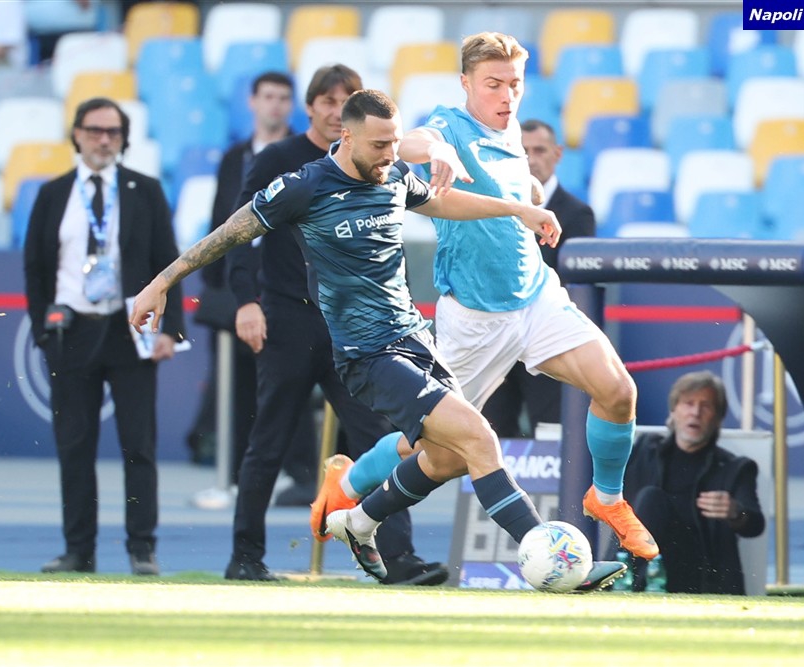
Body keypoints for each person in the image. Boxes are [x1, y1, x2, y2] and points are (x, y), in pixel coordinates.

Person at [129, 89, 564, 585]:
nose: (390, 154)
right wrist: (161, 283)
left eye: (395, 143)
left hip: (415, 340)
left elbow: (441, 201)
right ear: (347, 136)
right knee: (480, 438)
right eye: (379, 145)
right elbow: (231, 232)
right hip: (367, 354)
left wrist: (517, 210)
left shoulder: (393, 173)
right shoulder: (305, 186)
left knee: (447, 458)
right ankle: (547, 555)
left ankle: (359, 521)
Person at [314, 33, 658, 568]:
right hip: (473, 320)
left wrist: (530, 198)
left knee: (618, 391)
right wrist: (438, 150)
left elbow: (510, 185)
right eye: (493, 84)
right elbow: (412, 143)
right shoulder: (450, 124)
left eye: (514, 84)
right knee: (439, 455)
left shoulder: (512, 128)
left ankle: (607, 498)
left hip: (536, 298)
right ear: (466, 83)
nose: (506, 95)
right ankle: (353, 486)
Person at [209, 66, 443, 585]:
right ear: (311, 107)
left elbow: (389, 241)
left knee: (378, 435)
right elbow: (239, 231)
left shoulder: (379, 165)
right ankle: (245, 556)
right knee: (269, 439)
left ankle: (399, 557)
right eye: (328, 100)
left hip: (357, 329)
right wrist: (245, 301)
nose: (337, 110)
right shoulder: (281, 160)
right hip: (288, 317)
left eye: (347, 100)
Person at [24, 97, 184, 576]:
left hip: (128, 328)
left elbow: (169, 262)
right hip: (71, 330)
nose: (103, 139)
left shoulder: (145, 190)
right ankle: (79, 550)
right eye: (94, 130)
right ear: (77, 134)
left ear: (124, 138)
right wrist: (43, 333)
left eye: (113, 132)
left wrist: (169, 330)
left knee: (139, 445)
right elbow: (35, 268)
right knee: (74, 446)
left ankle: (142, 548)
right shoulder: (53, 193)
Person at [187, 71, 317, 500]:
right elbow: (221, 216)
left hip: (286, 280)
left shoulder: (303, 154)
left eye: (283, 98)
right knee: (235, 383)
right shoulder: (234, 157)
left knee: (290, 381)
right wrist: (218, 276)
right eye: (268, 96)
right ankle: (237, 477)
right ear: (253, 101)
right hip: (238, 283)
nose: (275, 105)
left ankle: (300, 475)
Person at [480, 118, 597, 438]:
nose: (531, 159)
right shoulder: (497, 207)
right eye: (524, 151)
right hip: (498, 338)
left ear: (557, 154)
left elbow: (574, 284)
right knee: (491, 431)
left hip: (546, 339)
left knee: (550, 432)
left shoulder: (577, 214)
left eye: (540, 150)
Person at [621, 371, 765, 594]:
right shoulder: (644, 451)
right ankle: (621, 579)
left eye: (705, 406)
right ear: (674, 411)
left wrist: (736, 512)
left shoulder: (734, 468)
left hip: (700, 572)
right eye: (688, 404)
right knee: (650, 499)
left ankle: (620, 584)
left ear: (717, 418)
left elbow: (755, 523)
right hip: (645, 562)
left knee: (651, 498)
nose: (695, 413)